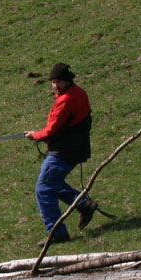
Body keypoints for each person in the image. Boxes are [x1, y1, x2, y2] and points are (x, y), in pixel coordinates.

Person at [25, 63, 97, 247]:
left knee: (44, 189)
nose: (55, 86)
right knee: (52, 184)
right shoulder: (79, 92)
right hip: (76, 147)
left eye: (58, 82)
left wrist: (35, 135)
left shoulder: (66, 100)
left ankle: (57, 233)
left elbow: (51, 131)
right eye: (53, 82)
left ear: (67, 80)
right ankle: (83, 204)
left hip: (63, 151)